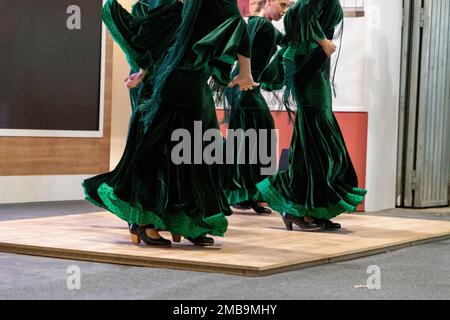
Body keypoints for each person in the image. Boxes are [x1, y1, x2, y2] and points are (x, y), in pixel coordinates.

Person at [82, 0, 257, 246]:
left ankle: (184, 221)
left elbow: (167, 35)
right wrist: (246, 72)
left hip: (178, 80)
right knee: (187, 151)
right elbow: (237, 26)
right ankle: (145, 221)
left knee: (186, 150)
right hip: (184, 82)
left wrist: (142, 73)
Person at [256, 0, 367, 231]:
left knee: (314, 141)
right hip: (308, 66)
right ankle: (298, 206)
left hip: (315, 65)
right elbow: (305, 13)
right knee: (316, 138)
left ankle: (310, 207)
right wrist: (322, 40)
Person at [224, 0, 289, 214]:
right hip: (243, 87)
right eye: (281, 4)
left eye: (288, 7)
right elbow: (244, 52)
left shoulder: (261, 25)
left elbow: (288, 42)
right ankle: (244, 194)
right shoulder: (260, 25)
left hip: (245, 86)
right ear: (268, 2)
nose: (284, 11)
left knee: (252, 136)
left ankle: (246, 194)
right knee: (255, 135)